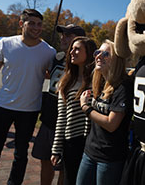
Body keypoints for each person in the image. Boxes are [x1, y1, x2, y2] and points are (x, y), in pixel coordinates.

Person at [0, 9, 56, 185]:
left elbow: (51, 75)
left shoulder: (49, 52)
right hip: (1, 107)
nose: (36, 27)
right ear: (21, 24)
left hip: (29, 110)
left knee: (20, 154)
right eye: (31, 23)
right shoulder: (6, 44)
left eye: (39, 24)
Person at [31, 24, 86, 185]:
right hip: (48, 118)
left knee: (64, 166)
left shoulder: (84, 63)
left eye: (68, 35)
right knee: (45, 159)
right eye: (63, 35)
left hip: (68, 123)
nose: (63, 38)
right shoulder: (57, 57)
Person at [76, 39, 133, 185]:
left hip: (109, 158)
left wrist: (86, 108)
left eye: (106, 53)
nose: (99, 56)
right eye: (97, 52)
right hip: (89, 152)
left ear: (117, 61)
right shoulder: (100, 81)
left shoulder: (123, 87)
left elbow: (111, 124)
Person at [50, 36, 97, 185]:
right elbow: (61, 117)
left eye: (77, 49)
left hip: (93, 142)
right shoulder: (66, 82)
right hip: (71, 141)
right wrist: (56, 148)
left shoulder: (98, 79)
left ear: (88, 53)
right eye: (72, 48)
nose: (71, 52)